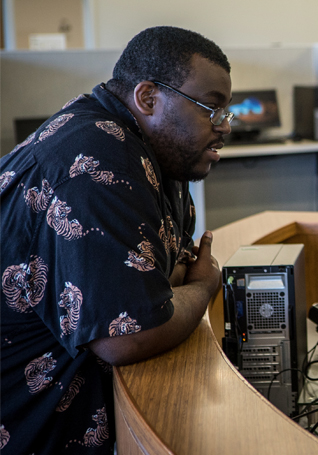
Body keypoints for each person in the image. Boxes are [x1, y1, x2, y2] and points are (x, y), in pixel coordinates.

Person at [0, 26, 230, 454]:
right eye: (210, 109)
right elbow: (128, 335)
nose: (224, 128)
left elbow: (167, 272)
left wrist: (173, 289)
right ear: (147, 99)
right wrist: (204, 286)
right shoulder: (97, 159)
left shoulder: (157, 154)